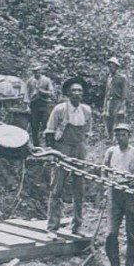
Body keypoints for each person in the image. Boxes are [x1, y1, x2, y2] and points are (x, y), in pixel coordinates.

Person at [45, 76, 92, 234]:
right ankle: (52, 227)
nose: (77, 94)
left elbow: (87, 132)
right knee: (57, 187)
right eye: (73, 91)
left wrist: (83, 149)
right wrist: (53, 153)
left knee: (79, 188)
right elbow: (50, 132)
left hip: (79, 148)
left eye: (79, 91)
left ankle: (77, 226)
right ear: (68, 93)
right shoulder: (60, 109)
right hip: (62, 148)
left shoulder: (86, 110)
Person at [102, 123, 134, 266]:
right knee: (111, 233)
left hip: (131, 195)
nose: (120, 138)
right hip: (114, 193)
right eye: (118, 135)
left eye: (123, 135)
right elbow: (104, 170)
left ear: (129, 136)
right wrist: (106, 185)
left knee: (131, 233)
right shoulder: (111, 152)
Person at [26, 64, 55, 147]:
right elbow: (26, 95)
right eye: (34, 71)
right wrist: (27, 105)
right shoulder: (29, 82)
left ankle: (48, 145)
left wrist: (42, 91)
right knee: (34, 126)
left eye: (37, 71)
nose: (36, 73)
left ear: (40, 70)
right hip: (34, 106)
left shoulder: (46, 80)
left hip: (45, 105)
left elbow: (51, 93)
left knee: (47, 125)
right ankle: (36, 146)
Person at [103, 57, 129, 140]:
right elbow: (106, 94)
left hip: (118, 102)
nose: (110, 68)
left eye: (112, 66)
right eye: (109, 66)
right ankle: (110, 140)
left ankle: (117, 141)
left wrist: (122, 108)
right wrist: (105, 109)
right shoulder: (109, 78)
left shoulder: (122, 78)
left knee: (117, 124)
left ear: (116, 67)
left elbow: (124, 95)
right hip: (109, 103)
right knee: (108, 124)